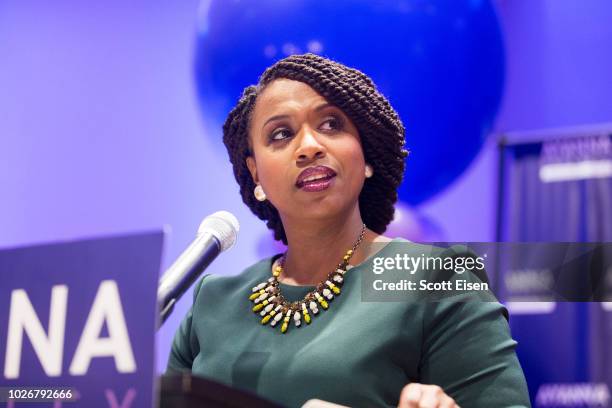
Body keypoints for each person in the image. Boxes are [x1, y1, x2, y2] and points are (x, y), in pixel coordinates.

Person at [167, 53, 531, 407]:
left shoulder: (436, 280)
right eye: (281, 134)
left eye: (330, 125)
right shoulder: (212, 302)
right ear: (255, 173)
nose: (309, 147)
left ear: (366, 155)